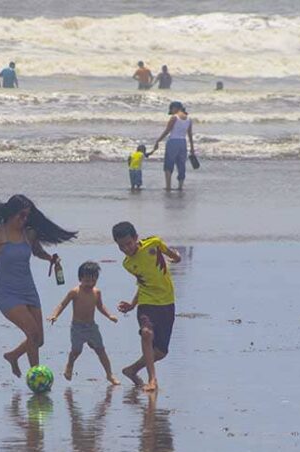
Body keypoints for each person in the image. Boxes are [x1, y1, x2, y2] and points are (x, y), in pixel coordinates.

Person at [0, 194, 76, 378]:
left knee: (39, 340)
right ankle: (36, 376)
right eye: (21, 215)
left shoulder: (28, 234)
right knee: (33, 333)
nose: (24, 219)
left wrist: (50, 258)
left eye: (27, 216)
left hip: (29, 290)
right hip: (7, 293)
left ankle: (13, 356)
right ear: (11, 213)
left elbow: (36, 251)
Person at [112, 221, 181, 392]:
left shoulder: (154, 243)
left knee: (161, 352)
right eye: (121, 246)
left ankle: (132, 370)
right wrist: (132, 304)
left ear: (136, 238)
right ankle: (152, 380)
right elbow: (143, 283)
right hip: (146, 302)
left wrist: (176, 257)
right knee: (146, 333)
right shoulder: (128, 264)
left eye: (128, 243)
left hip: (166, 301)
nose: (126, 249)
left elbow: (171, 254)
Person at [47, 261, 121, 385]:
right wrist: (55, 315)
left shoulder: (96, 292)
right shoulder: (75, 292)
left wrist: (110, 316)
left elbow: (101, 306)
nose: (90, 284)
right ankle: (69, 366)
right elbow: (62, 304)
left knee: (101, 350)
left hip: (91, 327)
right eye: (87, 281)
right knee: (76, 351)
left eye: (93, 281)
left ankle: (110, 374)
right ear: (80, 278)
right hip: (78, 327)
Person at [154, 101, 195, 191]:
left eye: (171, 109)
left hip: (173, 142)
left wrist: (158, 140)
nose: (171, 112)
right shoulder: (188, 119)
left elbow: (167, 131)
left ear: (175, 108)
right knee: (181, 164)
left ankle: (168, 186)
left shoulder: (174, 117)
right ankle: (180, 186)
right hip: (183, 143)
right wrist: (192, 147)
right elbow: (190, 134)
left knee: (169, 164)